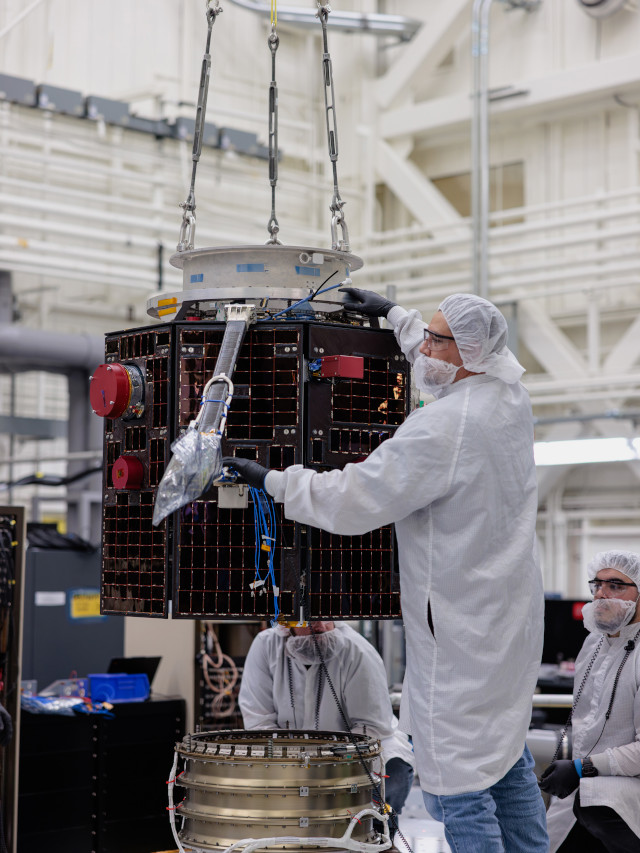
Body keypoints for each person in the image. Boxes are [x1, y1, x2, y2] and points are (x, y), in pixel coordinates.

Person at [224, 289, 548, 853]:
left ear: (467, 353)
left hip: (460, 635)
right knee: (504, 760)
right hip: (509, 624)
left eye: (435, 338)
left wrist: (270, 480)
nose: (423, 347)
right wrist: (395, 315)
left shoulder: (444, 428)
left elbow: (354, 497)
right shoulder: (508, 394)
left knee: (456, 787)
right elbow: (441, 354)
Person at [238, 620, 416, 840]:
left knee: (393, 771)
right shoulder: (265, 647)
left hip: (353, 755)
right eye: (310, 619)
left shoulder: (357, 651)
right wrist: (293, 765)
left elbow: (370, 730)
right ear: (288, 621)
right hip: (287, 757)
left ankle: (376, 833)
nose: (320, 625)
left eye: (325, 616)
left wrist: (326, 768)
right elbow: (259, 722)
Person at [541, 550, 640, 852]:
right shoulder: (593, 643)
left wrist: (582, 768)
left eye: (615, 586)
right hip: (584, 795)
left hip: (621, 796)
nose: (601, 594)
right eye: (596, 585)